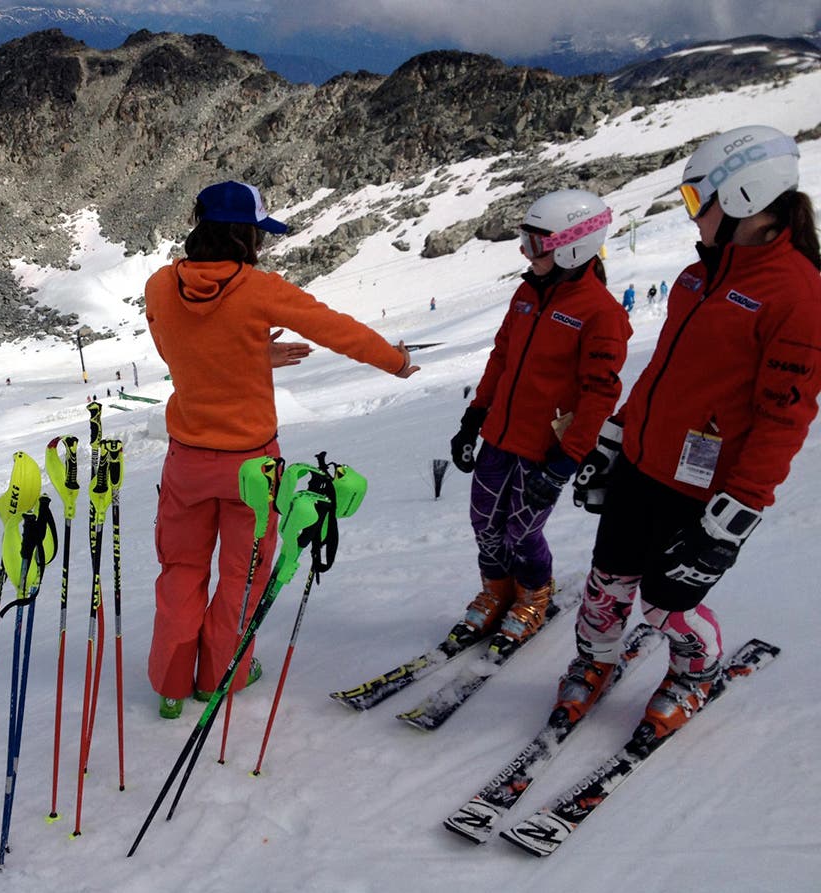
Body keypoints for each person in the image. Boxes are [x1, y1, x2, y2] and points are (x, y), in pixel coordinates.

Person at [556, 125, 821, 740]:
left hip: (702, 489)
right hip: (641, 465)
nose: (692, 216)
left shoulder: (799, 296)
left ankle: (696, 669)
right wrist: (614, 441)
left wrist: (733, 519)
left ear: (746, 196)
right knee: (607, 580)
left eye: (698, 201)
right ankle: (594, 659)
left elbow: (785, 418)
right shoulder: (697, 278)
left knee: (665, 599)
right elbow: (661, 374)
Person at [144, 180, 418, 719]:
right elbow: (337, 330)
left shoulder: (159, 285)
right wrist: (397, 361)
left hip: (187, 461)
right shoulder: (258, 290)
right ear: (247, 235)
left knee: (181, 569)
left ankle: (172, 687)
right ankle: (220, 677)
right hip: (252, 464)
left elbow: (180, 352)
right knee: (243, 575)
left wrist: (246, 353)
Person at [448, 189, 630, 648]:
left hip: (544, 451)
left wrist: (566, 462)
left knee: (521, 531)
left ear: (573, 248)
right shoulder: (526, 293)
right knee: (484, 523)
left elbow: (599, 395)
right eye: (524, 241)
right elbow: (501, 358)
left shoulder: (601, 314)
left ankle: (533, 595)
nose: (526, 254)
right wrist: (473, 419)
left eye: (535, 244)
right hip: (499, 436)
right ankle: (497, 590)